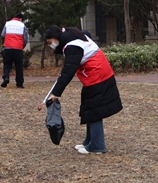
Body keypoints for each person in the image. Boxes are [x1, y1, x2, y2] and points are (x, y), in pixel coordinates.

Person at [39, 25, 122, 154]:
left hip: (98, 77)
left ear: (56, 37)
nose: (51, 46)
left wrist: (56, 93)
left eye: (50, 42)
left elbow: (68, 72)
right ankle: (89, 141)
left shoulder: (72, 46)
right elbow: (86, 33)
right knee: (88, 108)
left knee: (94, 111)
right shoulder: (73, 36)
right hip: (95, 76)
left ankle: (97, 146)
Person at [1, 13, 29, 88]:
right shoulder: (22, 25)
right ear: (21, 19)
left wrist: (6, 41)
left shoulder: (7, 23)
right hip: (18, 49)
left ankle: (6, 77)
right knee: (19, 66)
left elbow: (2, 35)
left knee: (7, 64)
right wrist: (22, 46)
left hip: (7, 48)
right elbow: (25, 38)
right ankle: (19, 83)